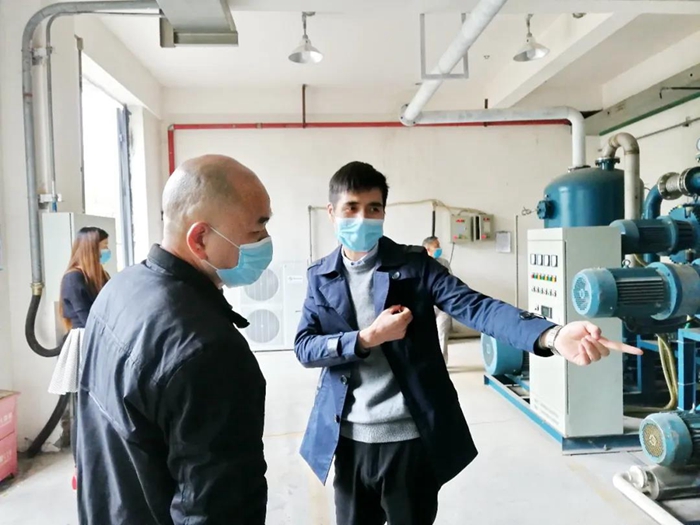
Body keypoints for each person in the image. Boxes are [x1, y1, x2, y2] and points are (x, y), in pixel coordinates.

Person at [294, 161, 642, 525]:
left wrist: (551, 335)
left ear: (383, 213)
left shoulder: (415, 267)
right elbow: (305, 346)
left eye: (373, 208)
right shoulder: (320, 277)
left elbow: (477, 307)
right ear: (332, 212)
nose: (362, 218)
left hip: (409, 439)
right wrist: (367, 338)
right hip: (347, 439)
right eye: (351, 208)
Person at [75, 155, 272, 525]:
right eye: (257, 228)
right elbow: (217, 509)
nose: (266, 242)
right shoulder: (210, 350)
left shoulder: (121, 288)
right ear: (200, 238)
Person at [49, 226, 111, 395]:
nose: (107, 251)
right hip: (87, 337)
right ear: (91, 248)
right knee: (89, 392)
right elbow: (86, 317)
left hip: (101, 335)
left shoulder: (102, 275)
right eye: (104, 246)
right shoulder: (74, 277)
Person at [422, 235, 452, 363]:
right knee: (425, 335)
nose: (439, 248)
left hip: (442, 304)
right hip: (425, 303)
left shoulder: (444, 263)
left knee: (442, 333)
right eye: (436, 246)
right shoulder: (420, 263)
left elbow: (450, 281)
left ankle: (443, 363)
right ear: (427, 249)